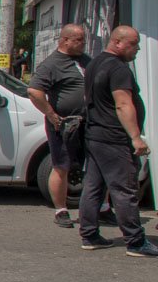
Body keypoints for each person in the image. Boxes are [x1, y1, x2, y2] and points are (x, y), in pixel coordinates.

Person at [78, 25, 157, 257]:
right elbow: (123, 104)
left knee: (93, 187)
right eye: (134, 44)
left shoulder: (94, 64)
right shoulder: (118, 68)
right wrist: (135, 137)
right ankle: (135, 241)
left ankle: (90, 235)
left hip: (95, 135)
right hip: (113, 138)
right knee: (124, 189)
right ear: (118, 42)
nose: (138, 49)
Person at [27, 23, 91, 228]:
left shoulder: (84, 61)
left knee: (94, 164)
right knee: (61, 165)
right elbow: (34, 92)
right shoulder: (52, 64)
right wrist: (52, 115)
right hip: (65, 124)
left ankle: (102, 208)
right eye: (79, 40)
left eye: (84, 39)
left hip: (88, 122)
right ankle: (61, 210)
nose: (83, 43)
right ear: (65, 40)